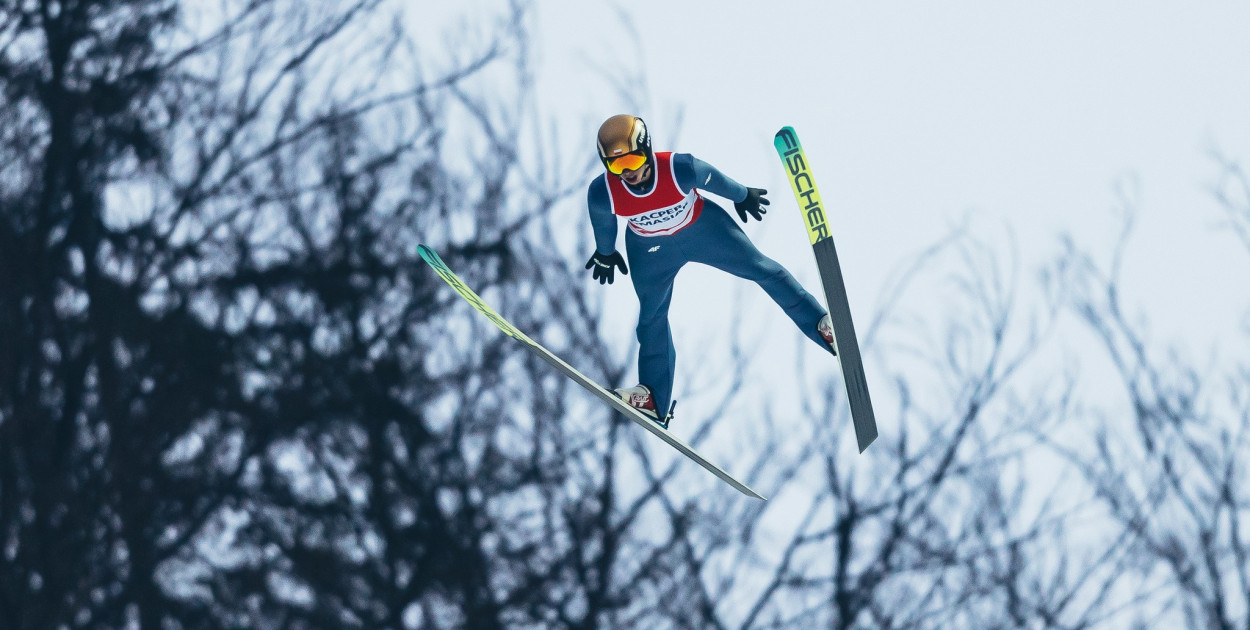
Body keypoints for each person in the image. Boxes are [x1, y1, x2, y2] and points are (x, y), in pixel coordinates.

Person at [585, 114, 836, 429]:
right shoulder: (603, 192)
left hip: (703, 230)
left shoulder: (678, 168)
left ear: (646, 150)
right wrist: (605, 252)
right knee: (651, 315)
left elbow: (714, 179)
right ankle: (653, 399)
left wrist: (742, 195)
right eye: (616, 166)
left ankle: (823, 326)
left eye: (633, 160)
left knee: (761, 269)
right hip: (651, 250)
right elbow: (603, 220)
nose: (628, 172)